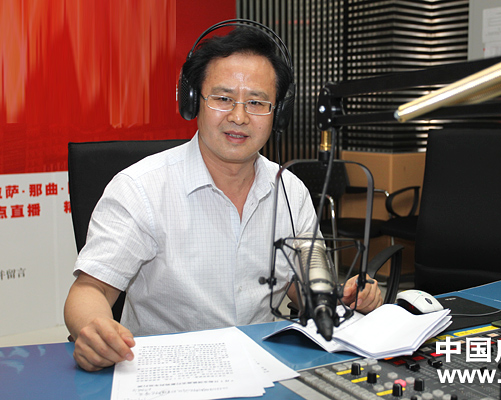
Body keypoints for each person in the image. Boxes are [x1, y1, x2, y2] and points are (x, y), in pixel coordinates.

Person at [64, 25, 383, 372]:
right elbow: (90, 289)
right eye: (223, 98)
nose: (239, 117)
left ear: (279, 114)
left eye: (257, 102)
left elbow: (302, 289)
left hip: (262, 366)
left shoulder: (290, 191)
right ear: (192, 102)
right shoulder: (140, 188)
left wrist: (343, 297)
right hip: (167, 373)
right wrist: (94, 330)